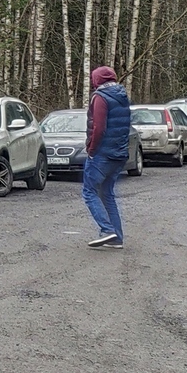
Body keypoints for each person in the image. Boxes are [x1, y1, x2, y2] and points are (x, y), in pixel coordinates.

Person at [83, 65, 130, 249]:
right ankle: (117, 237)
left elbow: (99, 128)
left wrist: (92, 150)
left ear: (97, 80)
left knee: (89, 192)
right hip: (119, 154)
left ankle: (106, 230)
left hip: (102, 154)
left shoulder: (100, 98)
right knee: (107, 194)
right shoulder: (122, 96)